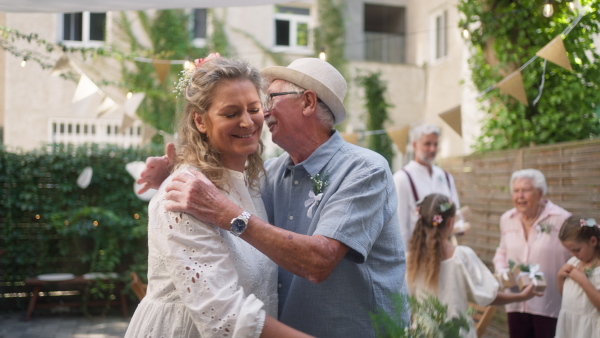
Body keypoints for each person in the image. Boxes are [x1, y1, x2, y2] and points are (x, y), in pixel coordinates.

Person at [139, 57, 408, 337]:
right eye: (235, 112)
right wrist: (178, 168)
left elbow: (319, 262)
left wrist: (228, 214)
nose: (262, 114)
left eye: (265, 102)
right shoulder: (266, 176)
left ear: (307, 102)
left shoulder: (365, 170)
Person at [125, 55, 310, 338]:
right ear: (200, 120)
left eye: (254, 108)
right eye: (231, 113)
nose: (247, 122)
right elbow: (225, 317)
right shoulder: (182, 195)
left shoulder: (252, 183)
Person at [407, 193, 540, 338]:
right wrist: (521, 296)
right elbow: (488, 296)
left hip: (423, 334)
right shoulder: (462, 256)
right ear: (451, 222)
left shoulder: (410, 260)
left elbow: (405, 303)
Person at [492, 168, 571, 338]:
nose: (520, 196)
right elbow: (502, 252)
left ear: (540, 193)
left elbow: (576, 254)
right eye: (516, 190)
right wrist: (502, 272)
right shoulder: (507, 219)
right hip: (515, 299)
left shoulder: (561, 219)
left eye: (526, 190)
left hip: (548, 303)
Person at [393, 124, 462, 250]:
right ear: (414, 145)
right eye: (427, 144)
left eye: (435, 144)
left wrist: (459, 225)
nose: (432, 149)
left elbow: (456, 212)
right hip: (417, 252)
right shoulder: (402, 178)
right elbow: (400, 227)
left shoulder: (445, 176)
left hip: (444, 250)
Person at [555, 216, 600, 337]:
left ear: (593, 241)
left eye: (576, 250)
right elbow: (565, 296)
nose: (573, 254)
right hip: (570, 327)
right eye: (570, 251)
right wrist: (560, 277)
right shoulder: (574, 262)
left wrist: (583, 281)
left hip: (590, 330)